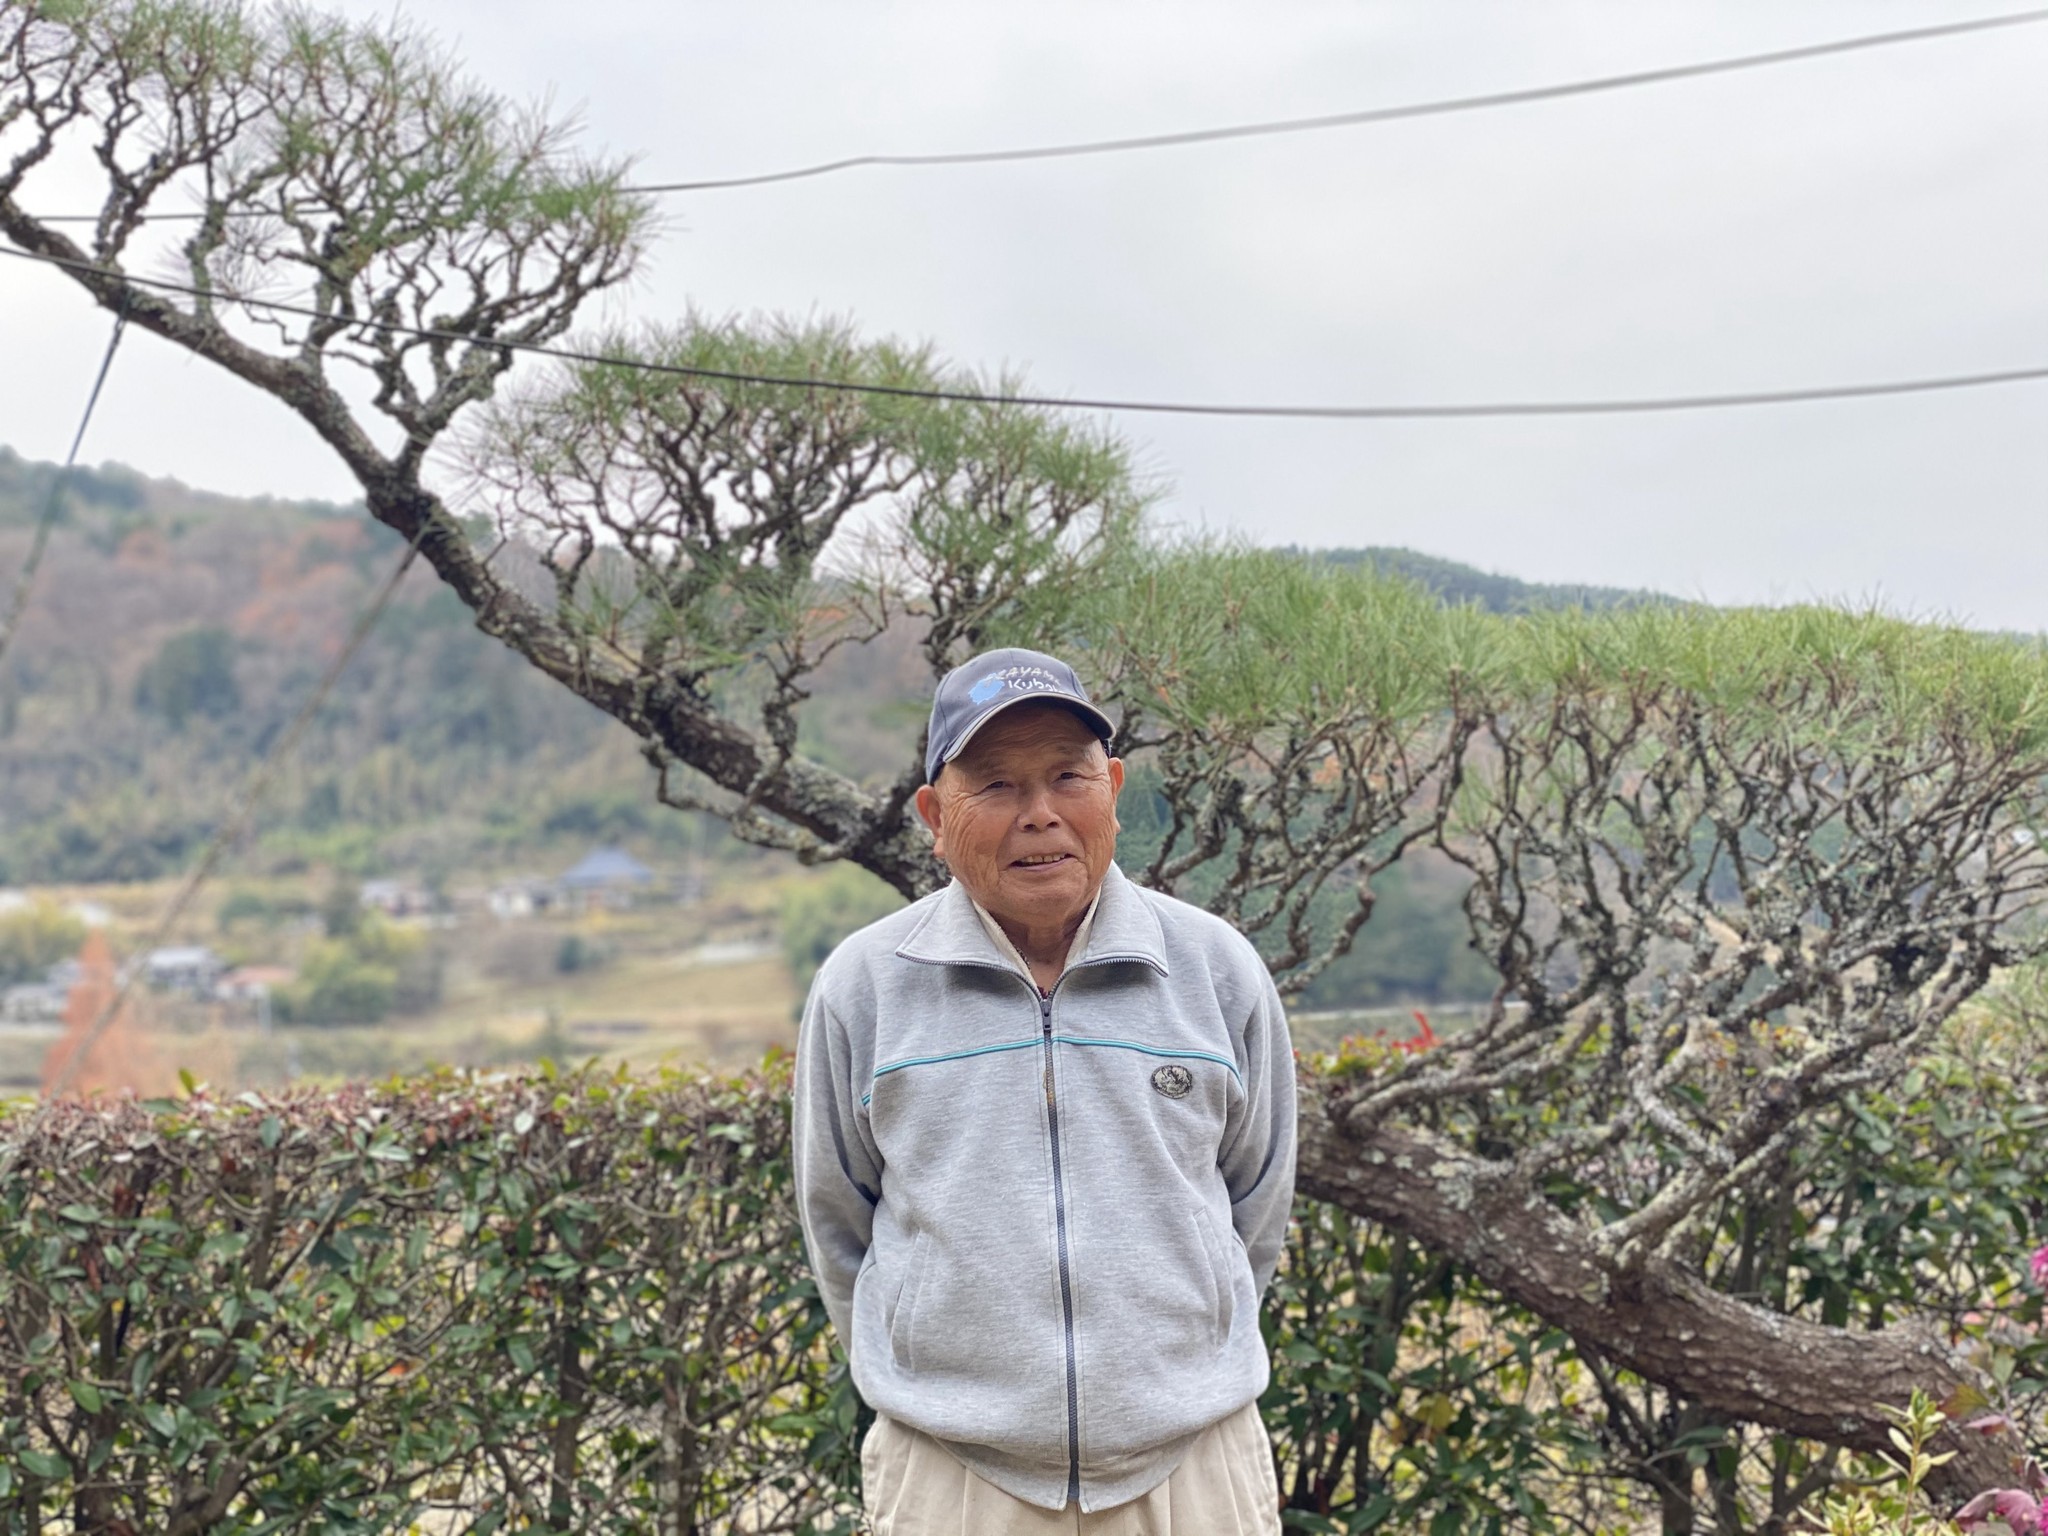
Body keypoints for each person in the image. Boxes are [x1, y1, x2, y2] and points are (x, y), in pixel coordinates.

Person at [793, 646, 1296, 1534]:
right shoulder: (865, 987)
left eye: (1068, 776)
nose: (1039, 815)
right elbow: (839, 1225)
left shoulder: (1214, 969)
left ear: (1113, 788)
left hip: (1193, 1464)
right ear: (934, 816)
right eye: (995, 785)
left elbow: (1254, 1205)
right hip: (955, 1474)